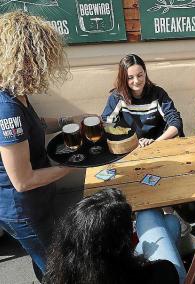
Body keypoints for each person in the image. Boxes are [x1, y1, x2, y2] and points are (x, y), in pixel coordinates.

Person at [0, 11, 84, 275]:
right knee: (57, 269)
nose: (45, 66)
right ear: (23, 59)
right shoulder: (7, 108)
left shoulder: (17, 92)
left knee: (48, 258)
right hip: (23, 209)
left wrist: (68, 120)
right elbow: (22, 181)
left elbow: (35, 126)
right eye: (41, 59)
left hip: (39, 201)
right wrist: (76, 163)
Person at [43, 188, 181, 284]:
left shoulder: (55, 275)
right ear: (120, 245)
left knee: (169, 222)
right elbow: (168, 274)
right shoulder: (160, 272)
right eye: (130, 221)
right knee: (165, 219)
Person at [102, 54, 184, 147]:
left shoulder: (158, 94)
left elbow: (176, 122)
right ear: (123, 78)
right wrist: (131, 142)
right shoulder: (117, 97)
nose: (136, 81)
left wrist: (154, 143)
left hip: (159, 144)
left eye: (140, 75)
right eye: (130, 77)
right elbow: (107, 124)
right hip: (129, 146)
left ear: (145, 73)